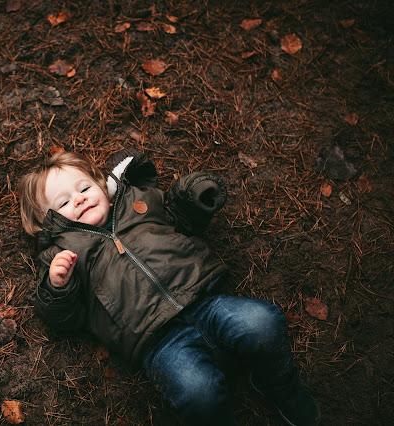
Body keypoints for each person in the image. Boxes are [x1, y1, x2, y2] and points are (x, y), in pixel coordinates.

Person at [18, 150, 320, 426]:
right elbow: (62, 318)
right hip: (159, 342)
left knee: (263, 322)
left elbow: (179, 217)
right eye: (64, 202)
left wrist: (194, 196)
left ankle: (281, 387)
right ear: (47, 221)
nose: (80, 199)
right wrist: (58, 285)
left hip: (205, 301)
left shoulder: (138, 201)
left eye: (84, 189)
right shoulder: (60, 256)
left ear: (101, 185)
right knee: (197, 393)